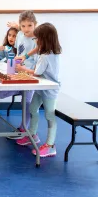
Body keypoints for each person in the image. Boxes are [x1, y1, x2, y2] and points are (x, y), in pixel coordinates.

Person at [15, 23, 61, 157]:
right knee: (33, 109)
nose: (36, 41)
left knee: (49, 115)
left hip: (50, 90)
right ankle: (32, 134)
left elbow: (36, 73)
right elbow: (37, 51)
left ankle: (50, 145)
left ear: (44, 40)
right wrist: (26, 57)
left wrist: (22, 69)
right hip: (41, 87)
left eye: (37, 39)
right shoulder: (52, 50)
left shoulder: (46, 56)